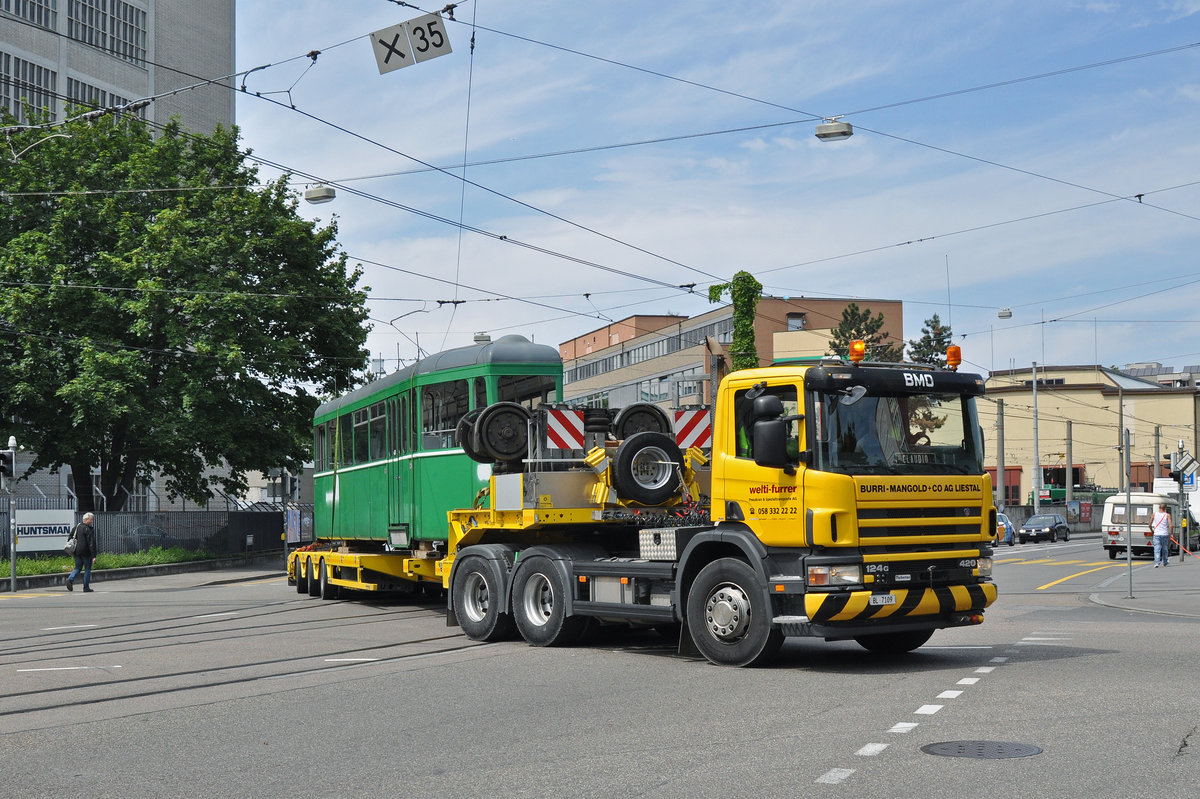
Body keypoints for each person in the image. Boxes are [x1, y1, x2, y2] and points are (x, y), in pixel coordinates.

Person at [66, 512, 98, 592]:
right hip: (86, 552)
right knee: (87, 569)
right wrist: (94, 555)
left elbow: (70, 538)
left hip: (76, 552)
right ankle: (86, 587)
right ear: (87, 520)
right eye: (91, 519)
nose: (92, 521)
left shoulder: (76, 527)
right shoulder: (88, 529)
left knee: (78, 567)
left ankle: (70, 579)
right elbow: (91, 543)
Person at [1151, 503, 1172, 568]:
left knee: (1157, 548)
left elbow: (1149, 524)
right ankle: (1165, 562)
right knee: (1165, 548)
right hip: (1164, 534)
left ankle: (1157, 562)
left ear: (1159, 508)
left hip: (1156, 534)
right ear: (1165, 508)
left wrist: (1152, 530)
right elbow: (1171, 525)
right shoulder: (1167, 515)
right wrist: (1171, 534)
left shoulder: (1154, 514)